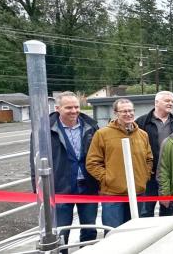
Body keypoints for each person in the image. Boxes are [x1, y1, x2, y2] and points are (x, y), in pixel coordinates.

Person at [86, 98, 153, 229]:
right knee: (113, 233)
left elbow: (149, 159)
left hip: (138, 193)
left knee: (134, 232)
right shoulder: (102, 134)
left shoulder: (143, 135)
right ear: (116, 113)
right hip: (113, 195)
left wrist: (144, 177)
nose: (128, 114)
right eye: (124, 111)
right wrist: (108, 179)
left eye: (131, 110)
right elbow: (92, 162)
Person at [48, 92, 100, 252]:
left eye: (76, 106)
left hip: (88, 185)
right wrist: (39, 188)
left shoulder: (91, 127)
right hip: (60, 187)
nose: (74, 110)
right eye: (68, 107)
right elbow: (35, 159)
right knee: (61, 230)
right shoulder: (45, 130)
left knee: (90, 228)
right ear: (58, 108)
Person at [135, 91, 173, 217]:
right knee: (145, 212)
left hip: (170, 176)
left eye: (172, 101)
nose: (170, 103)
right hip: (149, 176)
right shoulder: (142, 122)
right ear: (156, 103)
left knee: (169, 213)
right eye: (167, 101)